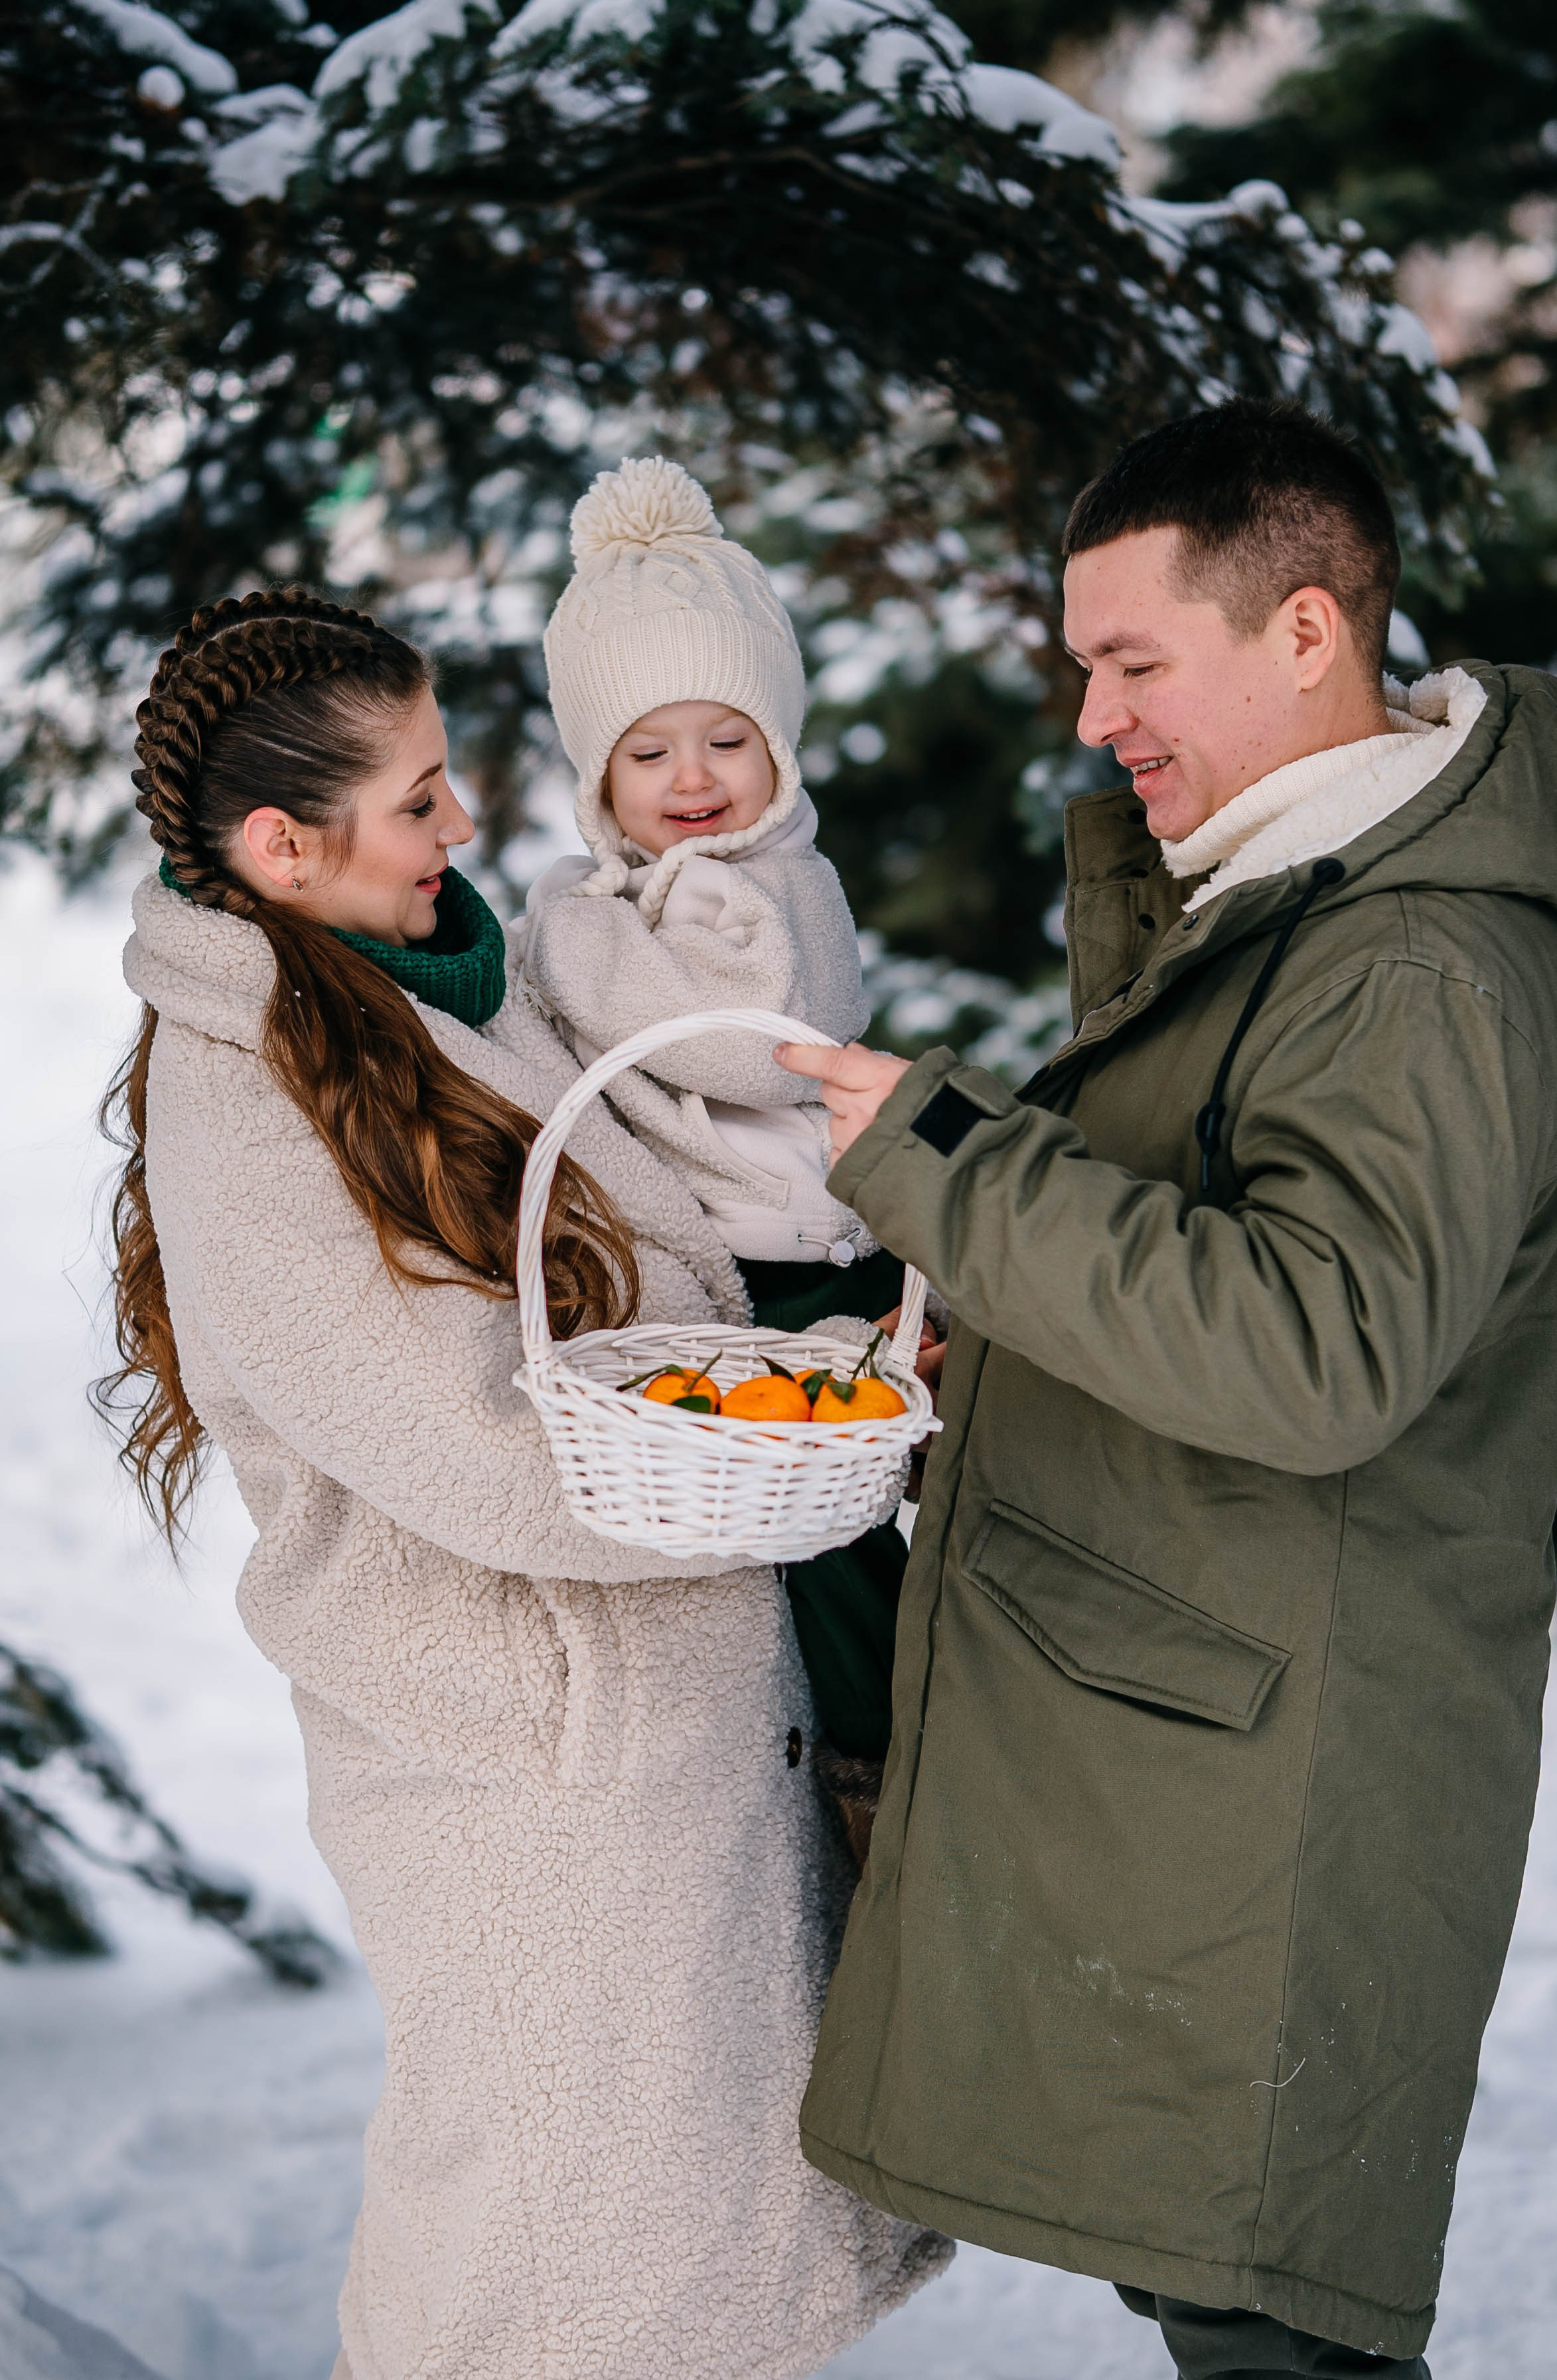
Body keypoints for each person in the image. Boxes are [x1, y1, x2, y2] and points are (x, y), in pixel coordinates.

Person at [777, 398, 1557, 2377]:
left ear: (1303, 632)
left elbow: (1319, 1355)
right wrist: (1014, 1303)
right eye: (1079, 664)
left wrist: (963, 1175)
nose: (1088, 716)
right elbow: (1217, 1259)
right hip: (1204, 1772)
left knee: (1269, 2336)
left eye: (1131, 661)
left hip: (1277, 1805)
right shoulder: (1294, 892)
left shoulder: (1416, 964)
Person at [98, 586, 945, 2380]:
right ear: (278, 844)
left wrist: (835, 1355)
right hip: (519, 1767)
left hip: (657, 1733)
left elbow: (676, 1224)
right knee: (528, 2283)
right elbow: (473, 1445)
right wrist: (781, 1443)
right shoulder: (246, 1088)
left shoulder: (438, 976)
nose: (463, 823)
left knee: (674, 2272)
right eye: (415, 797)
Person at [520, 455, 938, 1854]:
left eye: (726, 740)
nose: (691, 778)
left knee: (807, 1522)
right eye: (646, 752)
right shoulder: (640, 889)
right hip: (725, 1258)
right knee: (754, 1513)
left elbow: (742, 1047)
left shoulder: (782, 883)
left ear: (781, 753)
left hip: (801, 1256)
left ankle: (886, 1752)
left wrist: (571, 935)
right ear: (599, 773)